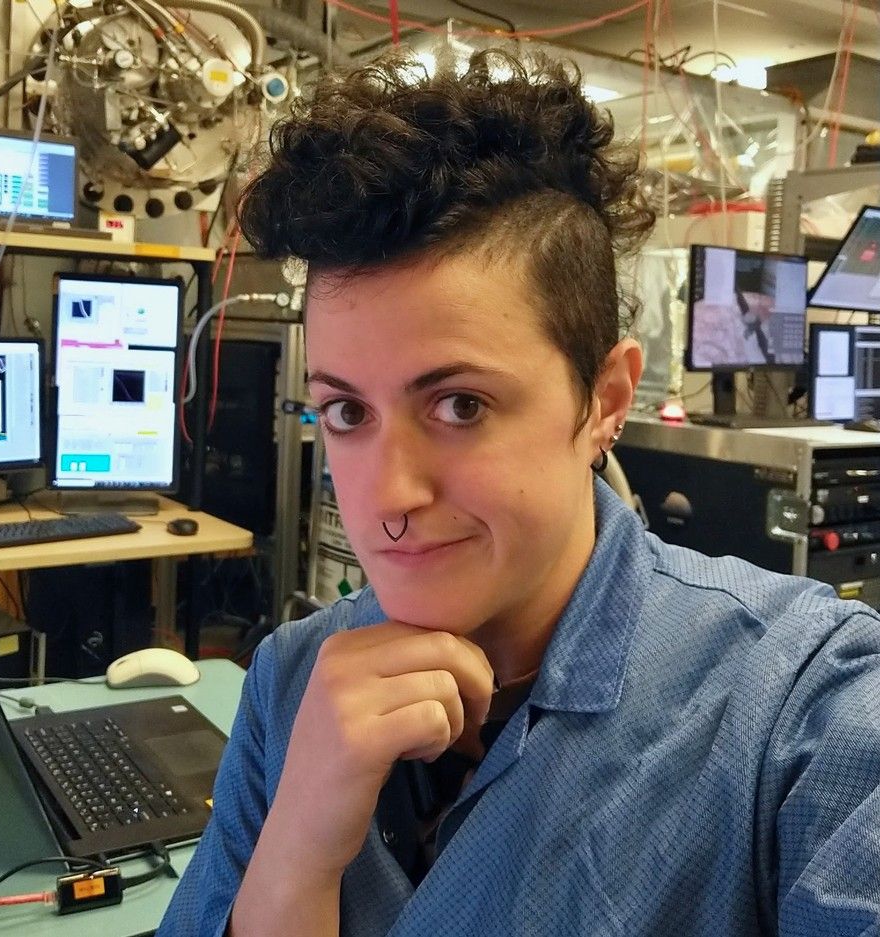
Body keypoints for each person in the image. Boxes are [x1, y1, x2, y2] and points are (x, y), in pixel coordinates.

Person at [157, 50, 880, 936]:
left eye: (460, 404)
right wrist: (297, 855)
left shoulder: (804, 709)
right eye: (346, 411)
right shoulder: (292, 679)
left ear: (604, 402)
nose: (388, 493)